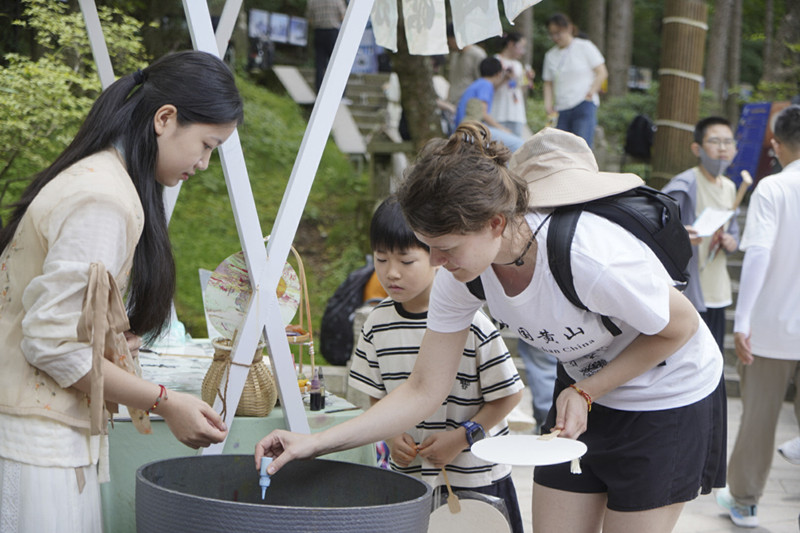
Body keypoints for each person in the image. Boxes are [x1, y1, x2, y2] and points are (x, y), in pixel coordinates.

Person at [256, 123, 726, 533]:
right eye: (428, 247)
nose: (436, 264)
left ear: (496, 223)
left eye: (446, 249)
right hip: (584, 391)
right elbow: (423, 389)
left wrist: (587, 390)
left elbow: (680, 327)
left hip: (668, 397)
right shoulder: (463, 275)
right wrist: (315, 443)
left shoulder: (589, 257)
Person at [0, 50, 242, 532]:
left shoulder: (98, 178)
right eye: (206, 144)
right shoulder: (103, 198)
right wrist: (165, 401)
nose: (204, 163)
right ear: (165, 119)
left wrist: (108, 345)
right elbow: (49, 341)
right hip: (35, 444)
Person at [348, 196, 525, 533]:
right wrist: (391, 433)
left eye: (406, 260)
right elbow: (375, 394)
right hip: (411, 477)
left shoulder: (470, 320)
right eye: (381, 259)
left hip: (476, 475)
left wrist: (463, 437)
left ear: (439, 257)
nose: (391, 272)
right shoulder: (375, 323)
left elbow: (508, 395)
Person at [716, 104, 800, 528]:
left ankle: (746, 502)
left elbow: (760, 253)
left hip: (772, 330)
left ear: (776, 144)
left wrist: (742, 319)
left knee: (759, 420)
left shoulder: (773, 189)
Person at [662, 117, 740, 354]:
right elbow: (658, 226)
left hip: (718, 291)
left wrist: (730, 241)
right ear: (697, 148)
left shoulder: (729, 187)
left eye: (728, 142)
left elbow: (734, 232)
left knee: (713, 361)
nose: (723, 148)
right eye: (715, 141)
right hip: (690, 294)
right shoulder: (685, 184)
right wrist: (680, 234)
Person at [542, 13, 607, 148]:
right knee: (562, 150)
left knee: (581, 149)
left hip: (583, 103)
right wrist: (548, 105)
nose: (555, 37)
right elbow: (548, 83)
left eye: (558, 33)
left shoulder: (584, 46)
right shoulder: (550, 55)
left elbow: (602, 72)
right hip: (561, 108)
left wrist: (590, 93)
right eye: (552, 34)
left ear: (569, 28)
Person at [454, 58, 524, 152]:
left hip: (463, 128)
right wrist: (503, 129)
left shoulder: (479, 83)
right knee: (519, 144)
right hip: (472, 130)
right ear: (499, 73)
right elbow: (484, 114)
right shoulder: (486, 85)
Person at [492, 32, 534, 138]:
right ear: (511, 44)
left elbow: (520, 90)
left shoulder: (518, 65)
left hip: (517, 114)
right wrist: (504, 78)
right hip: (498, 113)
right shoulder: (495, 60)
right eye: (521, 47)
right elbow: (489, 87)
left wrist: (527, 80)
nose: (522, 52)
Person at [306, 0, 346, 92]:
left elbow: (310, 19)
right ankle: (339, 92)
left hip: (318, 32)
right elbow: (343, 16)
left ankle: (318, 91)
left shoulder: (312, 1)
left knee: (319, 64)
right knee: (337, 63)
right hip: (333, 32)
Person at [446, 23, 487, 107]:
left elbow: (482, 82)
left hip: (469, 104)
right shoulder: (455, 54)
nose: (449, 44)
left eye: (449, 41)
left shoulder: (477, 54)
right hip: (453, 103)